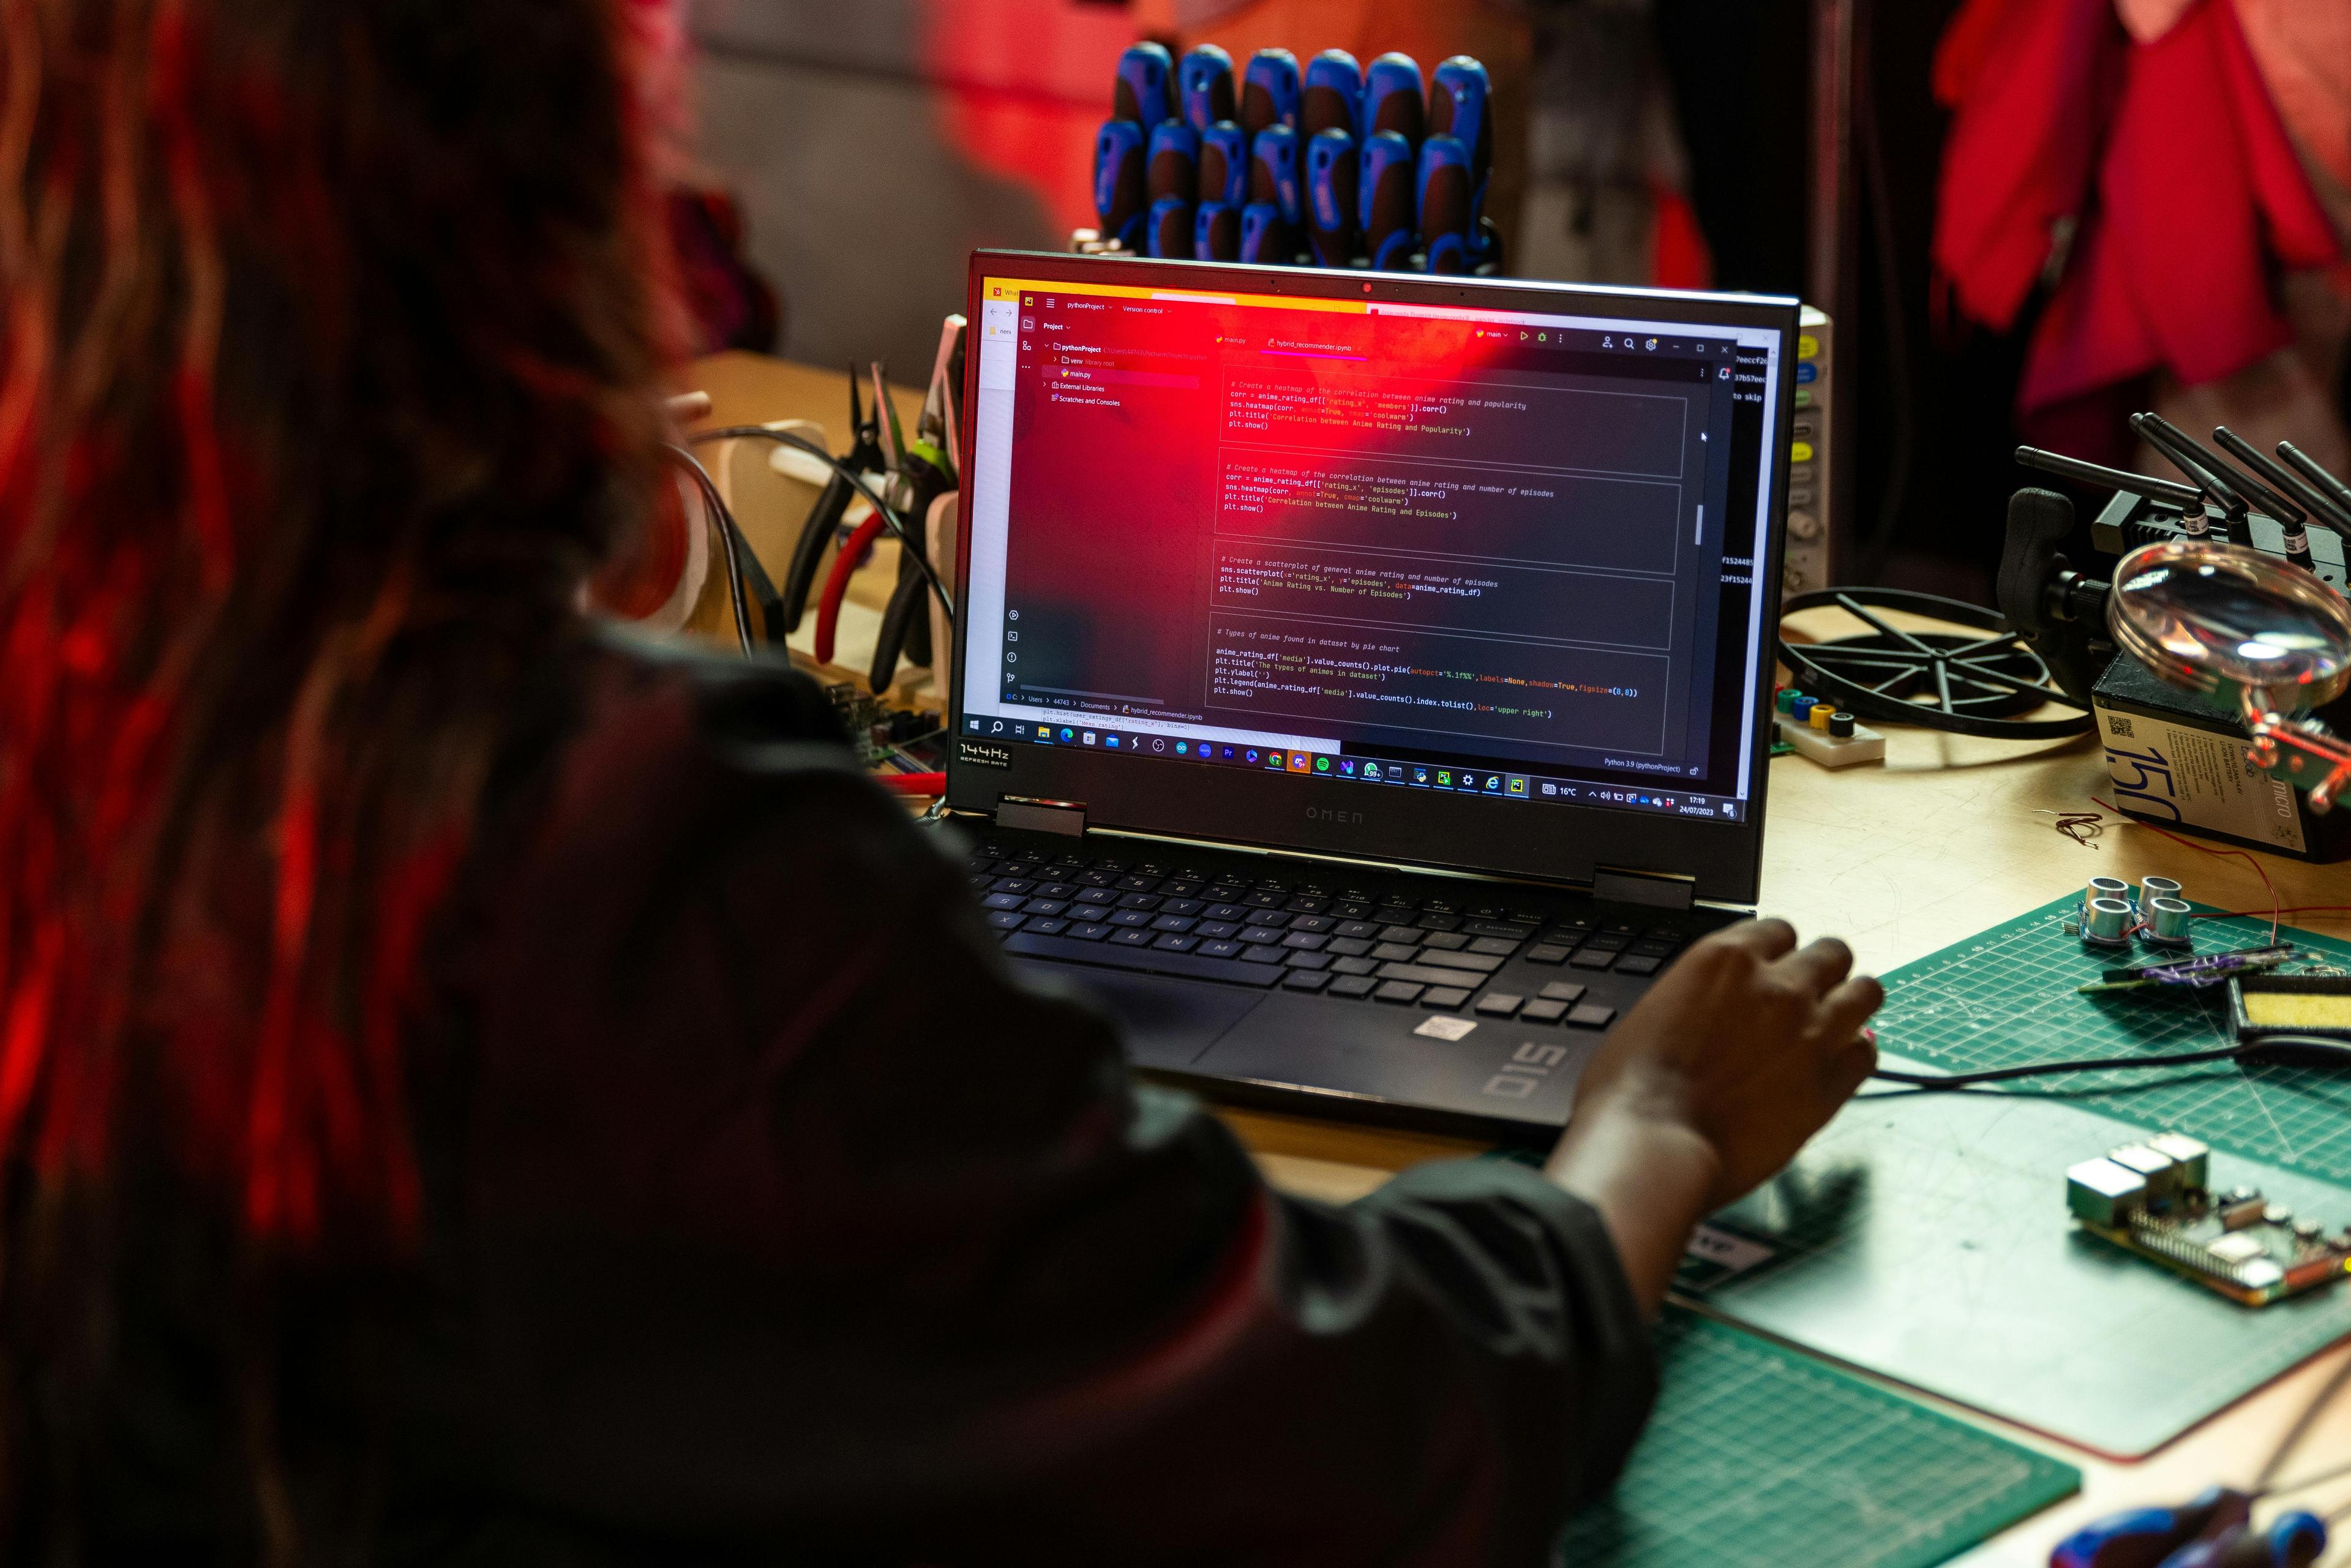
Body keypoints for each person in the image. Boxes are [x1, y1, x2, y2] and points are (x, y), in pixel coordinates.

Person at [0, 1, 1883, 1561]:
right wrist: (1652, 1125)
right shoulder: (630, 845)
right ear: (547, 225)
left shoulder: (105, 736)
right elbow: (1350, 1434)